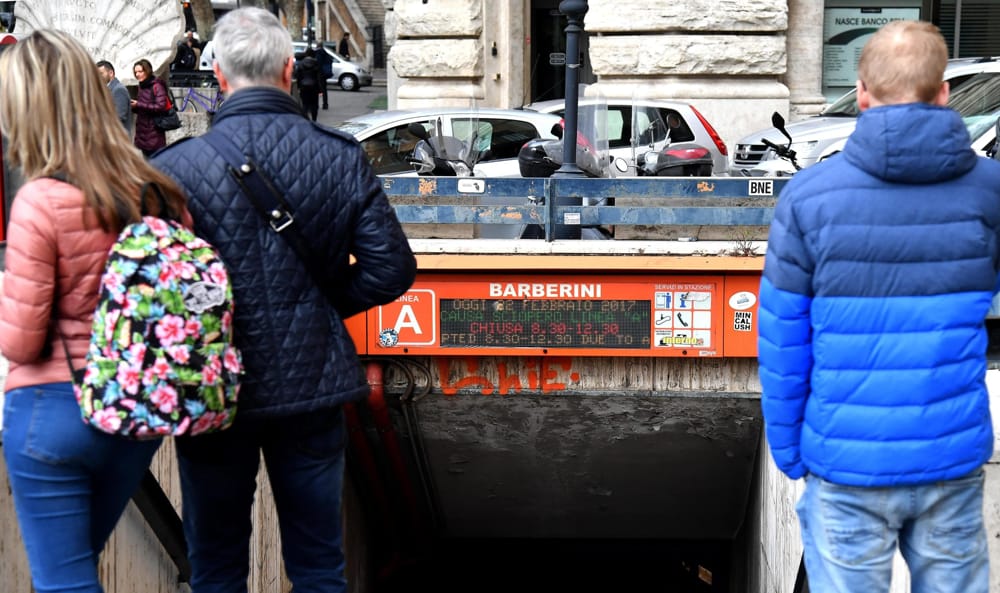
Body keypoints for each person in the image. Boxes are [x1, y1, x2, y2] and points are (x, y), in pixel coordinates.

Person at [151, 7, 416, 592]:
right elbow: (391, 269)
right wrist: (318, 307)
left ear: (217, 75)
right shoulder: (339, 156)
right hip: (313, 383)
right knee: (319, 564)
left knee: (215, 565)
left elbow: (154, 288)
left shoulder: (171, 171)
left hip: (213, 387)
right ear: (290, 69)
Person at [758, 20, 1000, 593]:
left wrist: (792, 451)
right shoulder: (988, 189)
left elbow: (783, 342)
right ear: (944, 93)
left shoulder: (808, 198)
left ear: (862, 94)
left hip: (843, 461)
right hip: (950, 454)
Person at [0, 29, 193, 593]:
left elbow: (19, 341)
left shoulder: (40, 200)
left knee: (64, 583)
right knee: (72, 570)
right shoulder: (159, 191)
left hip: (54, 410)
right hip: (136, 412)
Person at [130, 58, 169, 156]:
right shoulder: (142, 86)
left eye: (140, 71)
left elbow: (160, 106)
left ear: (147, 71)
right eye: (136, 72)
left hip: (154, 131)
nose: (137, 74)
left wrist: (138, 104)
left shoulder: (157, 86)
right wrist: (133, 106)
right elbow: (144, 108)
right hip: (143, 131)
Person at [97, 59, 131, 133]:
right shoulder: (107, 89)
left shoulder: (118, 90)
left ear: (111, 73)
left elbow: (119, 117)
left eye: (101, 73)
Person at [294, 46, 321, 121]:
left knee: (305, 104)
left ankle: (305, 120)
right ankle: (314, 120)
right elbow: (319, 77)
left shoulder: (301, 64)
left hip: (304, 86)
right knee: (314, 104)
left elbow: (298, 76)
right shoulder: (316, 63)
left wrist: (299, 86)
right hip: (314, 86)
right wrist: (320, 89)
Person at [315, 42, 333, 109]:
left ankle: (316, 104)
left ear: (317, 46)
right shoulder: (325, 53)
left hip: (319, 73)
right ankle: (325, 104)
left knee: (317, 89)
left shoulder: (318, 53)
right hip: (324, 74)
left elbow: (318, 63)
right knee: (324, 89)